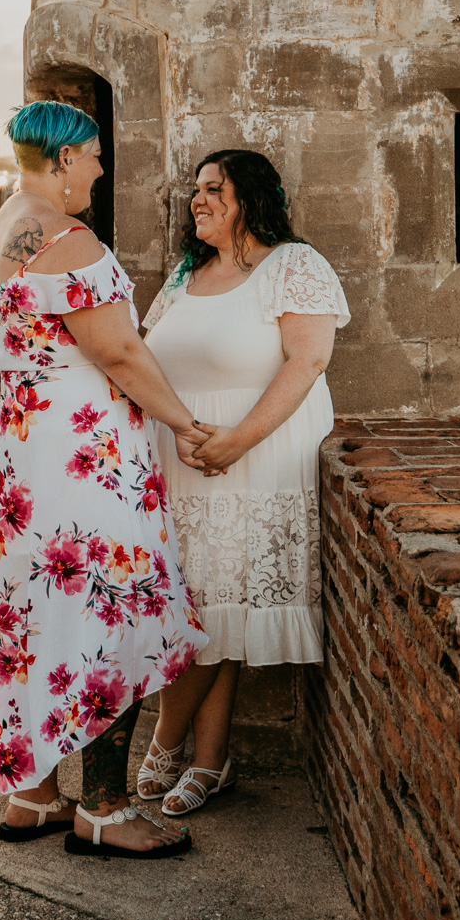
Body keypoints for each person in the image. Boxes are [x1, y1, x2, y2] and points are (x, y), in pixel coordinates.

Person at [0, 101, 212, 860]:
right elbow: (120, 354)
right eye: (93, 155)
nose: (99, 168)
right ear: (63, 160)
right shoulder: (68, 239)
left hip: (17, 463)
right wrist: (188, 426)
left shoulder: (4, 228)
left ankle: (33, 793)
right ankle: (103, 808)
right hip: (81, 465)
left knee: (34, 618)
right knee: (109, 614)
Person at [136, 149, 350, 816]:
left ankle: (168, 745)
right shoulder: (185, 272)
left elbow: (309, 358)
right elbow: (142, 353)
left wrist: (236, 439)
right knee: (202, 610)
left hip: (253, 462)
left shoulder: (296, 266)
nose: (197, 199)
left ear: (250, 197)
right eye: (194, 188)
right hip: (181, 462)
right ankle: (211, 762)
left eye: (213, 188)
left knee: (214, 607)